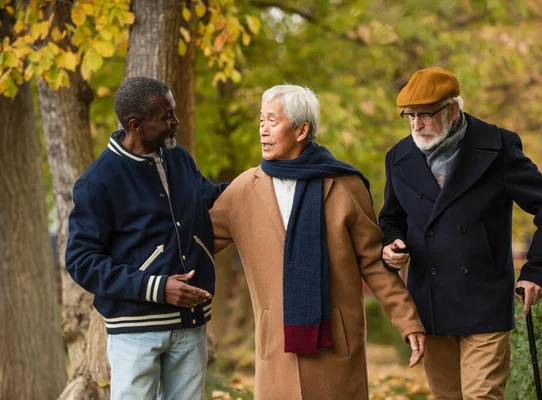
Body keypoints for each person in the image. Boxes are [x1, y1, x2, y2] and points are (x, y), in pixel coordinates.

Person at [209, 84, 425, 400]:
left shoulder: (344, 185)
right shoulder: (244, 190)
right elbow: (196, 243)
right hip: (277, 348)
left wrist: (408, 322)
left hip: (335, 342)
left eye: (273, 121)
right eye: (261, 121)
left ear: (302, 130)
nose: (263, 131)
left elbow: (372, 262)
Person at [379, 67, 542, 399]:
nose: (416, 124)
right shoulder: (398, 158)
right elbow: (392, 218)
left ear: (453, 109)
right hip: (431, 305)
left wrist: (537, 271)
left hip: (485, 300)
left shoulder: (497, 147)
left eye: (425, 114)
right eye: (409, 116)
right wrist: (392, 245)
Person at [65, 77, 227, 399]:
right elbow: (81, 262)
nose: (175, 123)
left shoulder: (179, 159)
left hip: (191, 323)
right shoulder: (98, 182)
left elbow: (213, 199)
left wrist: (262, 181)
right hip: (135, 332)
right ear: (135, 125)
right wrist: (156, 287)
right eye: (166, 117)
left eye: (174, 113)